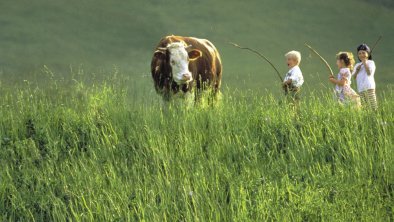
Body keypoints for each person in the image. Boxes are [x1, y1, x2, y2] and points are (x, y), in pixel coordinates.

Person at [352, 44, 377, 110]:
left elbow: (369, 73)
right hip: (360, 88)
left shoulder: (371, 63)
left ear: (368, 54)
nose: (361, 55)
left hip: (369, 87)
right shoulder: (357, 65)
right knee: (365, 107)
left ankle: (376, 118)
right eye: (359, 53)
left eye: (363, 53)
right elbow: (354, 77)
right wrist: (357, 70)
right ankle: (368, 119)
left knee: (373, 105)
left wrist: (365, 63)